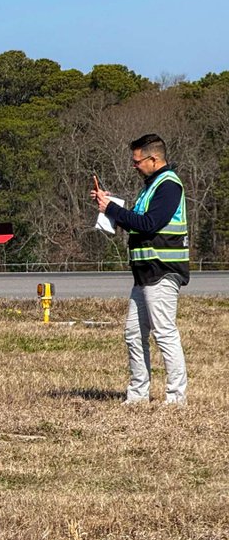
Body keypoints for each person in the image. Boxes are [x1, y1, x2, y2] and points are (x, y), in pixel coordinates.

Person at [91, 133, 189, 404]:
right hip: (144, 273)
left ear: (154, 158)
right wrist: (109, 208)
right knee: (134, 333)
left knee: (164, 332)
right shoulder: (151, 186)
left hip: (163, 269)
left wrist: (112, 209)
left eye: (137, 161)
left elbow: (149, 223)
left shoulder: (169, 186)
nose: (134, 166)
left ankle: (176, 398)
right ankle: (137, 395)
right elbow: (136, 220)